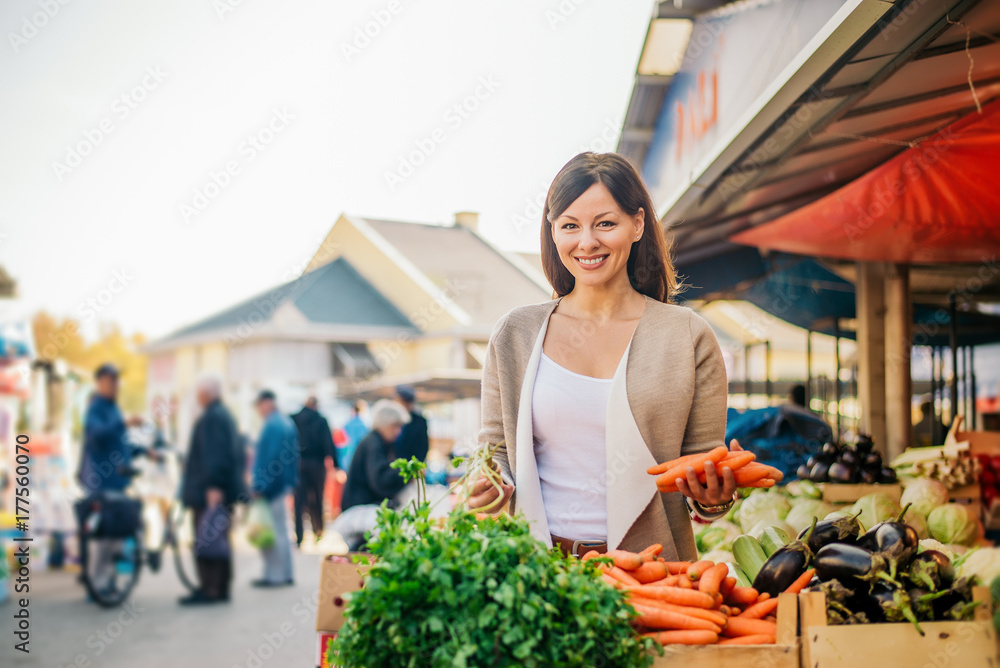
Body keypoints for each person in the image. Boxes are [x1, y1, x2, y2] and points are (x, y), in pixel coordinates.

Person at [468, 152, 743, 559]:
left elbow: (702, 471)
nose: (587, 242)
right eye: (570, 226)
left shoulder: (686, 336)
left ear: (637, 224)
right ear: (553, 231)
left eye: (605, 223)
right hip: (537, 574)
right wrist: (488, 483)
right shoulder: (515, 335)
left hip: (653, 574)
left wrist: (715, 497)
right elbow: (496, 454)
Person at [77, 364, 144, 599]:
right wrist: (124, 423)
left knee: (116, 536)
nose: (114, 384)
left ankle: (105, 581)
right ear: (99, 383)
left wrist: (143, 451)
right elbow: (97, 435)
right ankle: (96, 585)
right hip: (101, 483)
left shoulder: (113, 409)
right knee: (104, 538)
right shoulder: (96, 408)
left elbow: (120, 443)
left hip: (118, 482)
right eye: (109, 380)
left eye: (116, 380)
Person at [179, 374, 242, 605]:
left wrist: (214, 485)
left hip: (210, 491)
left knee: (208, 539)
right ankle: (219, 587)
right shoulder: (221, 415)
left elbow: (215, 455)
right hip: (217, 489)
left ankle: (211, 588)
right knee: (218, 538)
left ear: (206, 393)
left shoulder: (213, 417)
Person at [330, 400, 410, 551]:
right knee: (365, 551)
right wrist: (404, 475)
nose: (398, 432)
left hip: (362, 505)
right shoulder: (374, 444)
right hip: (359, 507)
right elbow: (380, 481)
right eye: (395, 427)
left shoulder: (379, 442)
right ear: (385, 424)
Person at [251, 389, 299, 587]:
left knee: (274, 531)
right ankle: (284, 573)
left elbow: (270, 459)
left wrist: (260, 485)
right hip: (283, 484)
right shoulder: (286, 422)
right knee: (281, 530)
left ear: (266, 403)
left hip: (273, 486)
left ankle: (276, 576)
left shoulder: (273, 425)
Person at [291, 396, 337, 547]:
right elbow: (328, 443)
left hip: (299, 463)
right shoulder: (321, 420)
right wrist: (336, 465)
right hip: (317, 465)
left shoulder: (294, 419)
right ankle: (318, 531)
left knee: (299, 501)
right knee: (317, 498)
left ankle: (299, 536)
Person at [393, 385, 429, 463]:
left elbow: (423, 447)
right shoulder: (391, 420)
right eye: (403, 401)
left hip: (411, 466)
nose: (405, 405)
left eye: (408, 402)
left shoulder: (420, 421)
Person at [340, 400, 369, 472]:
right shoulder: (365, 426)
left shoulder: (346, 425)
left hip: (348, 459)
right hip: (362, 458)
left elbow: (341, 446)